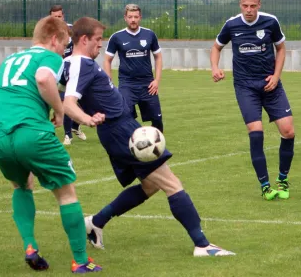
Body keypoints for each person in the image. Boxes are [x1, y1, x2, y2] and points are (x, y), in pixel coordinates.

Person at [62, 17, 234, 257]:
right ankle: (202, 245)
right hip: (119, 130)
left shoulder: (71, 63)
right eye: (98, 39)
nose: (101, 45)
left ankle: (95, 222)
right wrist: (86, 119)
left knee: (151, 185)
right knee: (172, 183)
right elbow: (69, 102)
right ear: (83, 39)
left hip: (122, 126)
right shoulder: (81, 63)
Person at [0, 16, 102, 273]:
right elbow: (42, 79)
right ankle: (81, 261)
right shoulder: (49, 58)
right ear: (53, 39)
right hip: (32, 132)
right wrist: (59, 112)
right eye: (64, 44)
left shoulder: (9, 60)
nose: (64, 50)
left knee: (21, 185)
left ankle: (30, 245)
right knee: (66, 192)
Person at [210, 0, 295, 201]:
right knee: (256, 132)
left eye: (253, 6)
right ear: (240, 4)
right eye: (245, 5)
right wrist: (214, 67)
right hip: (245, 86)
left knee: (288, 132)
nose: (249, 10)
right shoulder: (231, 25)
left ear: (259, 5)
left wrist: (276, 76)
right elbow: (216, 47)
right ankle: (266, 186)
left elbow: (281, 49)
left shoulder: (270, 22)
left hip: (270, 84)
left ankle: (283, 179)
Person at [103, 4, 164, 132]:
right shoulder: (117, 37)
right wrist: (110, 82)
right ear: (125, 18)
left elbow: (158, 57)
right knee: (126, 117)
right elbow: (107, 60)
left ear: (140, 17)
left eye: (136, 17)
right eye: (130, 17)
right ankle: (130, 146)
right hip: (127, 84)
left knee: (157, 119)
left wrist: (157, 80)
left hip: (148, 84)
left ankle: (158, 148)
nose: (133, 20)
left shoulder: (149, 34)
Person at [49, 5, 87, 145]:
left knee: (84, 101)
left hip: (75, 70)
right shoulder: (48, 33)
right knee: (65, 102)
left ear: (63, 16)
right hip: (58, 73)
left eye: (59, 16)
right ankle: (67, 135)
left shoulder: (72, 30)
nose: (57, 19)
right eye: (54, 17)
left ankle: (76, 126)